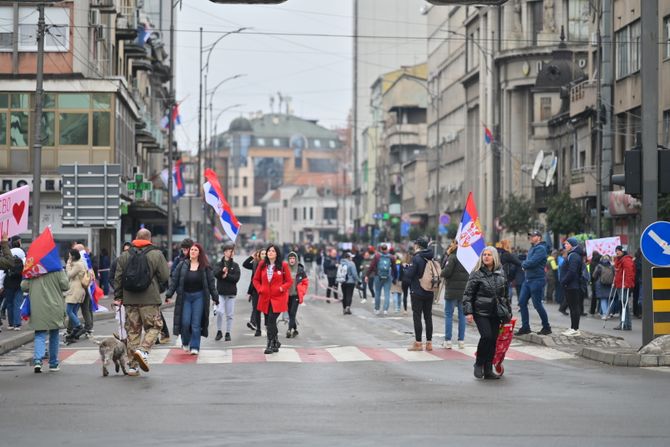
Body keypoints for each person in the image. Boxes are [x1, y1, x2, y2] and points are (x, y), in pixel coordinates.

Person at [113, 229, 170, 376]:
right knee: (156, 326)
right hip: (149, 299)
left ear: (135, 238)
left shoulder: (125, 255)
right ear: (149, 239)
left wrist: (118, 296)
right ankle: (143, 350)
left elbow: (118, 278)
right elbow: (164, 276)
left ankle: (133, 367)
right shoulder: (156, 254)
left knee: (133, 331)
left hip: (130, 300)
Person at [16, 239, 69, 373]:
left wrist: (27, 274)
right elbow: (65, 286)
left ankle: (38, 360)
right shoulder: (57, 269)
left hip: (37, 305)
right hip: (55, 305)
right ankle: (53, 363)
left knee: (39, 333)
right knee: (54, 334)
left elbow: (23, 287)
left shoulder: (33, 270)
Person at [463, 246, 509, 380]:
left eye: (489, 255)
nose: (486, 257)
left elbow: (505, 296)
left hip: (496, 312)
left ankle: (488, 369)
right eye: (484, 255)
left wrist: (508, 313)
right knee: (487, 336)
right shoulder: (476, 273)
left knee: (493, 340)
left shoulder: (501, 273)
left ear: (494, 257)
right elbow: (468, 294)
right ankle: (478, 363)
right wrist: (468, 312)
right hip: (480, 311)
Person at [166, 243, 218, 355]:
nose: (193, 252)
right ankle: (185, 341)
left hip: (199, 297)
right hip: (185, 297)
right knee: (185, 322)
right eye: (192, 250)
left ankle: (195, 346)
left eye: (195, 250)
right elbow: (174, 280)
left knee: (196, 323)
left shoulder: (205, 267)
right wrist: (169, 294)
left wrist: (215, 297)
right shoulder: (182, 265)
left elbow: (211, 284)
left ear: (199, 253)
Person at [252, 244, 292, 355]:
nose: (270, 252)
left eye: (273, 251)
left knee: (270, 320)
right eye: (269, 251)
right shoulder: (262, 264)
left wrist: (281, 288)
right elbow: (255, 280)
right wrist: (260, 289)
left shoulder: (283, 265)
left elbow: (289, 281)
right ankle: (275, 340)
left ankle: (269, 343)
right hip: (265, 298)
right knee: (270, 321)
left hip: (278, 298)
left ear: (277, 253)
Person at [515, 230, 552, 336]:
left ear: (539, 237)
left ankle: (546, 327)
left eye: (533, 236)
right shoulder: (532, 248)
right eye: (530, 235)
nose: (530, 237)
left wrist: (523, 265)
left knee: (537, 304)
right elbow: (528, 260)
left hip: (537, 280)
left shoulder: (541, 248)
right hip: (528, 280)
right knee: (522, 302)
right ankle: (525, 327)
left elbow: (533, 262)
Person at [402, 237, 436, 351]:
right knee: (428, 317)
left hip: (417, 291)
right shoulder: (430, 257)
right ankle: (429, 343)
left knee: (417, 317)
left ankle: (418, 343)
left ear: (417, 246)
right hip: (429, 291)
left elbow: (409, 275)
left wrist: (405, 268)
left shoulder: (416, 258)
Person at [441, 240, 469, 349]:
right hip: (463, 291)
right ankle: (461, 341)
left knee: (449, 315)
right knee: (462, 316)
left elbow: (446, 272)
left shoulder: (452, 257)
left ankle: (448, 341)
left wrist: (446, 255)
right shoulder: (467, 257)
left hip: (452, 291)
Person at [214, 242, 241, 342]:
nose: (232, 253)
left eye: (232, 251)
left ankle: (228, 333)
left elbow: (236, 278)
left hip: (231, 293)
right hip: (220, 292)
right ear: (225, 252)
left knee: (229, 314)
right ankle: (219, 331)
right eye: (230, 251)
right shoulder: (218, 264)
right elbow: (216, 274)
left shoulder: (235, 265)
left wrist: (227, 276)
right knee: (220, 312)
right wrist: (222, 272)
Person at [559, 238, 585, 336]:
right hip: (571, 285)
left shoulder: (573, 256)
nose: (565, 245)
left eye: (567, 244)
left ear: (572, 245)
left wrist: (564, 282)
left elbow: (572, 272)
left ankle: (575, 329)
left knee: (574, 308)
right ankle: (573, 327)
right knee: (572, 307)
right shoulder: (572, 254)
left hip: (572, 285)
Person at [0, 235, 25, 331]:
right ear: (19, 242)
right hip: (19, 282)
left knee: (9, 303)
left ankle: (10, 324)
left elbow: (2, 271)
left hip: (8, 282)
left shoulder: (9, 253)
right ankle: (17, 324)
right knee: (17, 303)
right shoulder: (22, 252)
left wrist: (1, 285)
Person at [64, 249, 89, 343]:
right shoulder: (80, 263)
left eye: (70, 255)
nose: (69, 257)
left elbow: (69, 275)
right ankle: (74, 333)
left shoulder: (78, 265)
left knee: (69, 311)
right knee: (73, 311)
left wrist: (68, 264)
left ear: (73, 256)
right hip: (79, 290)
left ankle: (79, 326)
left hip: (75, 290)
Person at [242, 248, 266, 336]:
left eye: (265, 254)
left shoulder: (269, 265)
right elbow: (245, 264)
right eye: (262, 254)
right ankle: (254, 324)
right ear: (259, 255)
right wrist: (252, 256)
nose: (263, 255)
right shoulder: (255, 264)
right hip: (255, 289)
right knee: (255, 307)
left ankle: (265, 325)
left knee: (265, 309)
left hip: (265, 290)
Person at [367, 244, 395, 315]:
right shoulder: (391, 257)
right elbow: (394, 268)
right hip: (388, 277)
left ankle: (377, 309)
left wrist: (367, 275)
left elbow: (371, 266)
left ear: (381, 249)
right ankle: (385, 310)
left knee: (377, 292)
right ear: (387, 249)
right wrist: (395, 277)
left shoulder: (377, 256)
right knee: (387, 293)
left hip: (378, 276)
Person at [613, 245, 635, 331]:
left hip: (624, 285)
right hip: (619, 285)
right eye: (616, 250)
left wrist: (626, 284)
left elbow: (629, 273)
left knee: (624, 304)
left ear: (622, 251)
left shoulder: (626, 260)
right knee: (622, 304)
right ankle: (624, 323)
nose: (617, 252)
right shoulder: (619, 260)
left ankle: (626, 324)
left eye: (618, 250)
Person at [286, 251, 309, 336]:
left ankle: (289, 330)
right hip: (287, 295)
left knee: (292, 313)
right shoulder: (285, 269)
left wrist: (302, 291)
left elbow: (305, 282)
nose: (292, 260)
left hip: (296, 295)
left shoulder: (300, 270)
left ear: (296, 259)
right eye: (290, 258)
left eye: (293, 258)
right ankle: (295, 328)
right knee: (289, 313)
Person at [592, 254, 615, 318]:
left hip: (601, 284)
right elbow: (615, 274)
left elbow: (594, 275)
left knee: (603, 299)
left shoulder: (599, 266)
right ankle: (609, 313)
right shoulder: (611, 266)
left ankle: (604, 314)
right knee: (609, 299)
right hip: (610, 284)